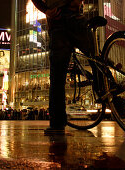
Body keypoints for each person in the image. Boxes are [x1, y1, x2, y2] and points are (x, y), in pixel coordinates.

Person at [31, 0, 95, 134]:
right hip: (75, 16)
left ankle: (57, 124)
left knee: (57, 77)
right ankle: (113, 95)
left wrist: (46, 10)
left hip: (57, 19)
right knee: (97, 59)